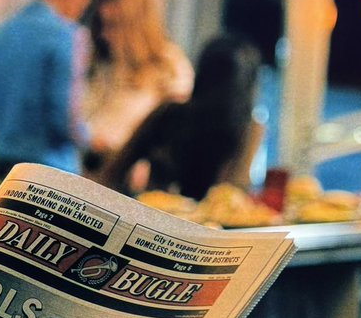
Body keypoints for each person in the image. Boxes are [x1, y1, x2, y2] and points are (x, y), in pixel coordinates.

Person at [0, 0, 101, 193]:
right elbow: (64, 120)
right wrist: (90, 139)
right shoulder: (69, 35)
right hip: (52, 180)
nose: (82, 10)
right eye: (85, 0)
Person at [99, 34, 264, 199]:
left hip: (151, 215)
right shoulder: (247, 129)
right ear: (247, 86)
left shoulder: (171, 113)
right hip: (201, 223)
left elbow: (115, 170)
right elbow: (234, 192)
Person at [83, 0, 194, 174]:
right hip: (87, 167)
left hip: (127, 178)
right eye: (102, 24)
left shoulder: (170, 67)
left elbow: (174, 139)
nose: (105, 34)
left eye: (114, 25)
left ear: (136, 24)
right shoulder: (102, 62)